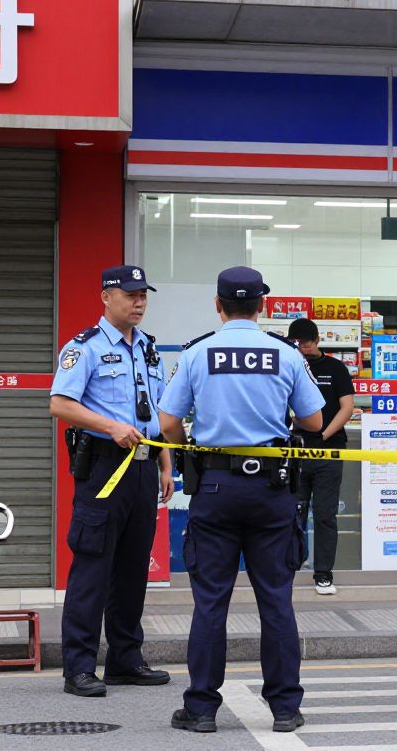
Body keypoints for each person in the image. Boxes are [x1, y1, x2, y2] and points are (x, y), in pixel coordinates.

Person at [159, 266, 324, 733]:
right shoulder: (285, 354)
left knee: (210, 601)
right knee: (276, 600)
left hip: (214, 488)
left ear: (217, 305)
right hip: (271, 490)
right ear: (263, 306)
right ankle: (286, 709)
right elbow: (313, 422)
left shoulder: (196, 353)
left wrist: (194, 438)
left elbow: (168, 423)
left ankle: (202, 708)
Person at [50, 265, 174, 698]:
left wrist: (164, 460)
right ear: (107, 297)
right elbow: (60, 404)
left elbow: (154, 412)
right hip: (103, 468)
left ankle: (124, 659)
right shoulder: (83, 348)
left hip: (141, 466)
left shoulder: (149, 348)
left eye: (143, 295)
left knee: (132, 569)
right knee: (92, 568)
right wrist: (109, 425)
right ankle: (79, 667)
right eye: (130, 294)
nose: (139, 302)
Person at [287, 318, 355, 595]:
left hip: (329, 450)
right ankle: (289, 568)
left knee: (326, 514)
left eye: (304, 342)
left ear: (316, 340)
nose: (301, 348)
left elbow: (347, 406)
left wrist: (325, 434)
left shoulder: (335, 368)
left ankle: (323, 573)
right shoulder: (290, 365)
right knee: (294, 513)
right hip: (298, 450)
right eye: (296, 343)